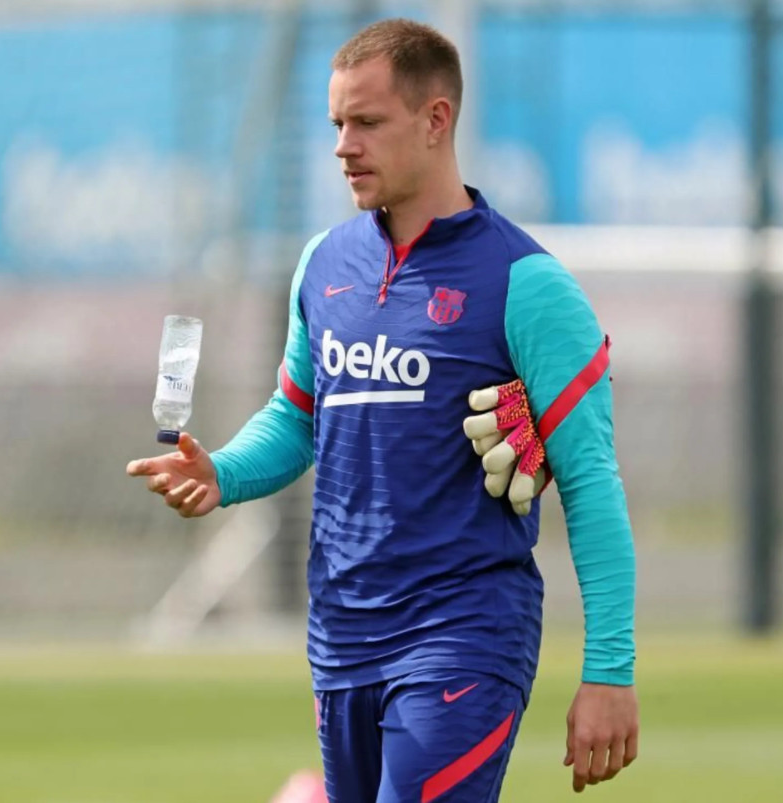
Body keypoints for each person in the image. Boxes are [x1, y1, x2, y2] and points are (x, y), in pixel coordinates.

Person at [128, 18, 637, 801]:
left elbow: (592, 481)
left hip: (463, 634)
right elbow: (298, 418)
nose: (342, 145)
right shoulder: (324, 262)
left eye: (366, 122)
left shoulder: (525, 283)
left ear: (436, 120)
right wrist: (220, 471)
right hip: (340, 636)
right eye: (336, 122)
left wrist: (609, 669)